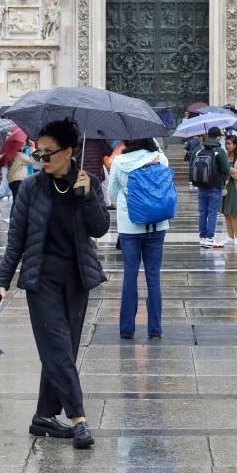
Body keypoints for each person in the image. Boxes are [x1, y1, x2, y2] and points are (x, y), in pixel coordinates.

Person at [0, 119, 109, 449]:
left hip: (78, 279)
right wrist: (1, 281)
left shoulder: (89, 183)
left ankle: (43, 417)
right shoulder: (31, 188)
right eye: (37, 151)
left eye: (48, 152)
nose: (41, 158)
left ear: (69, 152)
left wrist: (87, 197)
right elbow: (16, 239)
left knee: (63, 352)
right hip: (41, 279)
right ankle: (78, 418)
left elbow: (99, 229)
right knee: (57, 347)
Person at [104, 138, 170, 339]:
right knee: (153, 277)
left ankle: (126, 329)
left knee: (130, 277)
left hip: (129, 227)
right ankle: (155, 329)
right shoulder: (161, 158)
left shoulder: (120, 162)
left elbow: (112, 194)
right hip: (157, 225)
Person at [191, 127, 230, 248]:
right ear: (218, 137)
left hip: (201, 185)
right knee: (213, 212)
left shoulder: (198, 149)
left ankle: (203, 238)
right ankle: (210, 238)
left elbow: (191, 165)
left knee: (203, 212)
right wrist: (222, 180)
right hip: (215, 185)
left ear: (208, 136)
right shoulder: (219, 150)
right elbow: (226, 169)